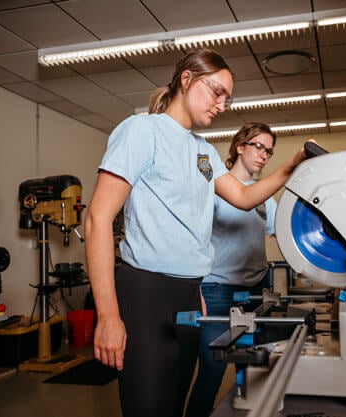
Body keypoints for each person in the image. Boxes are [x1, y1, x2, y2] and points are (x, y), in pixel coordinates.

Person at [84, 48, 311, 417]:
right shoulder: (142, 130)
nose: (222, 104)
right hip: (146, 290)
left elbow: (242, 195)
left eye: (228, 97)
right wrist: (108, 314)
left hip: (190, 294)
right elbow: (97, 219)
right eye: (216, 91)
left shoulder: (203, 151)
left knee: (175, 403)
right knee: (150, 406)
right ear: (186, 80)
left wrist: (293, 163)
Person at [186, 122, 278, 417]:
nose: (264, 155)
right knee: (212, 368)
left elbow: (286, 234)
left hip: (255, 289)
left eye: (269, 151)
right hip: (217, 289)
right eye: (258, 146)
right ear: (240, 146)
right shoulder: (214, 186)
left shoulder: (265, 195)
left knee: (252, 368)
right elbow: (195, 240)